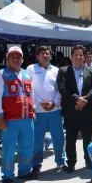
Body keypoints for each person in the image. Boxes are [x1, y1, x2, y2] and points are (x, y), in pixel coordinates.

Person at [0, 46, 37, 183]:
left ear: (22, 59)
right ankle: (7, 175)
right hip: (10, 120)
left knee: (27, 147)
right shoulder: (1, 75)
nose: (16, 60)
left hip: (27, 119)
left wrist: (33, 110)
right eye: (13, 57)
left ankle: (24, 172)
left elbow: (31, 95)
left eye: (18, 57)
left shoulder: (27, 75)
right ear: (8, 59)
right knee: (8, 149)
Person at [57, 45, 92, 173]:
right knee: (70, 139)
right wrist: (77, 99)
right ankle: (71, 163)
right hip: (71, 110)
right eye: (76, 55)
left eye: (81, 55)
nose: (78, 57)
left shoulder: (90, 70)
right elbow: (62, 89)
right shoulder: (63, 70)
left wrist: (85, 99)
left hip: (86, 110)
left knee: (87, 138)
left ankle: (89, 161)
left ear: (84, 57)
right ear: (71, 57)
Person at [26, 46, 65, 174]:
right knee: (37, 139)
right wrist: (41, 102)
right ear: (37, 56)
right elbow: (29, 89)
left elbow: (60, 89)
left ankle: (60, 161)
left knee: (58, 137)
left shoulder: (56, 70)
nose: (45, 56)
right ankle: (36, 164)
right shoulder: (31, 69)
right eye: (42, 54)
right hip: (38, 110)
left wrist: (54, 103)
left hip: (54, 110)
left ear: (50, 56)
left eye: (47, 54)